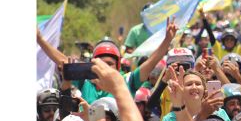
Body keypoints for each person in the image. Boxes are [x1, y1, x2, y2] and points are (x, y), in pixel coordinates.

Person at [37, 18, 177, 104]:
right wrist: (40, 40)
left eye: (109, 63)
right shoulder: (85, 82)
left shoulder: (128, 81)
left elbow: (151, 62)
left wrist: (167, 40)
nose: (105, 67)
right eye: (101, 62)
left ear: (117, 66)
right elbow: (63, 62)